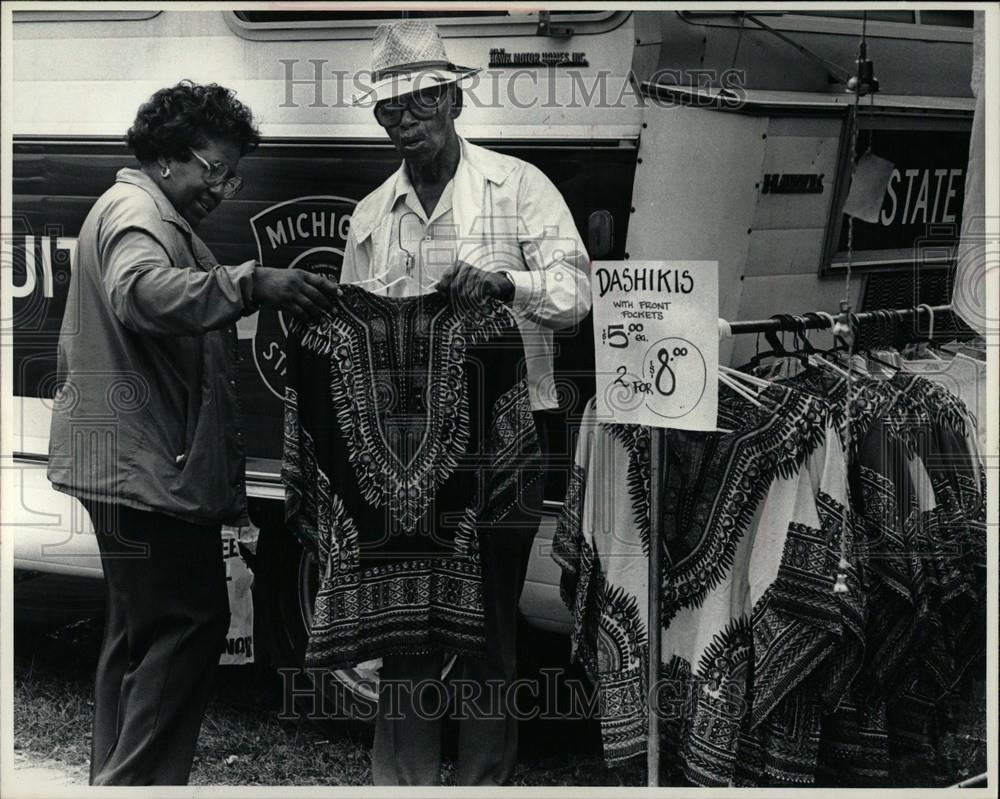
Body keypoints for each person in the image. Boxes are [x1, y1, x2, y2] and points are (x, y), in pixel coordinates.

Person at [46, 80, 340, 786]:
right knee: (186, 626)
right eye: (215, 168)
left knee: (138, 634)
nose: (226, 186)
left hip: (124, 462)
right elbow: (140, 293)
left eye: (233, 173)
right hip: (145, 470)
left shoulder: (144, 209)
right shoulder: (138, 214)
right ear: (168, 157)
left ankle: (113, 781)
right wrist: (249, 284)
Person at [340, 21, 591, 785]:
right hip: (404, 451)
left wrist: (507, 284)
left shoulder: (519, 188)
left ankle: (484, 779)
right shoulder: (371, 214)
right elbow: (352, 330)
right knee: (406, 620)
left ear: (453, 99)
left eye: (419, 104)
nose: (406, 123)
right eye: (390, 112)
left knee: (487, 622)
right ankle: (402, 780)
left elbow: (577, 294)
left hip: (505, 439)